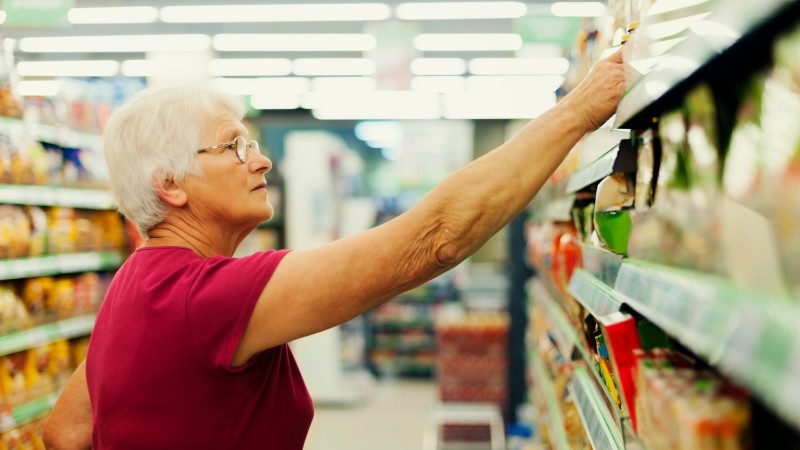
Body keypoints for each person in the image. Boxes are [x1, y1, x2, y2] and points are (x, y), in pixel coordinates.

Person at [42, 50, 625, 449]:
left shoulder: (134, 285)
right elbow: (437, 239)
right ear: (169, 185)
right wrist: (581, 108)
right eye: (233, 146)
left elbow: (65, 432)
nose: (261, 160)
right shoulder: (208, 299)